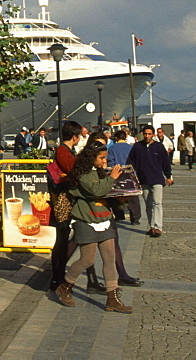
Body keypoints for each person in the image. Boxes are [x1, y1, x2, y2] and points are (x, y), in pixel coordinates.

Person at [54, 143, 133, 313]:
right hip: (86, 218)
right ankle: (65, 285)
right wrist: (111, 178)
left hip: (103, 217)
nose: (105, 161)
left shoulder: (99, 171)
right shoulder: (82, 174)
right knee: (87, 259)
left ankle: (112, 298)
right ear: (91, 158)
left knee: (109, 258)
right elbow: (96, 190)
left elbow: (106, 192)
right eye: (101, 158)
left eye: (105, 157)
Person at [48, 120, 103, 294]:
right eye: (80, 136)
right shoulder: (63, 151)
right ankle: (57, 278)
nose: (81, 139)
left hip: (66, 199)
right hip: (63, 200)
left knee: (66, 240)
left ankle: (63, 276)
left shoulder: (66, 150)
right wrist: (87, 156)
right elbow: (73, 169)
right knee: (62, 240)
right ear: (74, 136)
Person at [128, 125, 173, 238]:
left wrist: (168, 176)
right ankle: (151, 225)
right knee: (148, 204)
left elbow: (165, 163)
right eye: (145, 134)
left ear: (153, 134)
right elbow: (131, 162)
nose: (147, 136)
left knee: (157, 203)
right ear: (142, 134)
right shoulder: (137, 147)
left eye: (149, 134)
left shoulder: (159, 147)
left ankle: (158, 227)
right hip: (143, 179)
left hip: (157, 178)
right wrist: (131, 175)